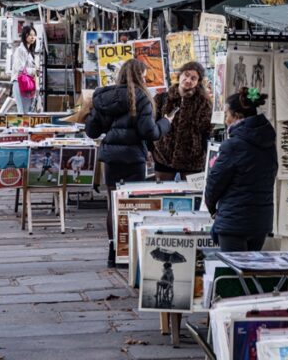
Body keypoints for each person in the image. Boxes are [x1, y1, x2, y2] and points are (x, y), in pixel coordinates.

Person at [85, 59, 176, 267]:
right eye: (144, 75)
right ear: (138, 75)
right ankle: (129, 253)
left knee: (113, 203)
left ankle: (113, 251)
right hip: (134, 157)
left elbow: (92, 131)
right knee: (133, 205)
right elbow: (149, 132)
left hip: (111, 157)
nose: (146, 79)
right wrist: (166, 123)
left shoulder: (103, 97)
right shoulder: (142, 97)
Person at [205, 87, 277, 252]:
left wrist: (212, 209)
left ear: (237, 117)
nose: (225, 119)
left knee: (234, 273)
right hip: (261, 220)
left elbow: (214, 183)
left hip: (234, 222)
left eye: (226, 115)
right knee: (250, 273)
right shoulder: (268, 143)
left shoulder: (233, 145)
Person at [151, 61, 212, 180]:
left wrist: (207, 156)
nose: (188, 80)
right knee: (162, 195)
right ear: (180, 76)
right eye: (186, 75)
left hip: (192, 160)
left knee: (192, 196)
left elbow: (206, 131)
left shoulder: (204, 103)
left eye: (193, 78)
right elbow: (151, 126)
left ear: (198, 82)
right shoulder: (161, 99)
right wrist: (150, 149)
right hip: (163, 157)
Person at [11, 25, 37, 113]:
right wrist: (34, 70)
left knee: (27, 111)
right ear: (25, 36)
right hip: (20, 83)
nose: (33, 37)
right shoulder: (20, 50)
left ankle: (23, 127)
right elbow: (20, 68)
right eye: (30, 35)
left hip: (27, 84)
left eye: (34, 35)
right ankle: (21, 127)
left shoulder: (29, 51)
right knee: (22, 111)